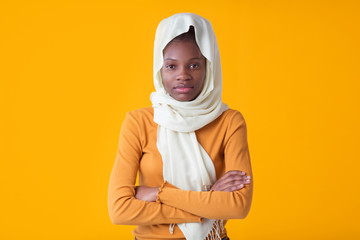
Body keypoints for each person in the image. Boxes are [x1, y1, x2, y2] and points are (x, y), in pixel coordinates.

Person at [107, 13, 253, 240]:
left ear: (209, 66)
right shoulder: (138, 122)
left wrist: (158, 193)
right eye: (171, 66)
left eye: (194, 65)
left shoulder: (229, 122)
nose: (182, 76)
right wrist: (207, 203)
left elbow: (237, 206)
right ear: (159, 69)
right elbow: (119, 210)